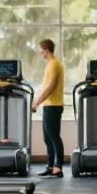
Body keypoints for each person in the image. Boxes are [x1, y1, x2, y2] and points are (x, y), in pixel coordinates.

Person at [31, 39, 66, 178]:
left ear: (46, 50)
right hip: (49, 105)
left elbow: (51, 87)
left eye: (41, 50)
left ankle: (58, 167)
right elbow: (46, 87)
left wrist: (38, 101)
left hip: (54, 105)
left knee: (54, 137)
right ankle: (51, 166)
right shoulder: (52, 64)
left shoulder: (54, 65)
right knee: (47, 138)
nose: (40, 53)